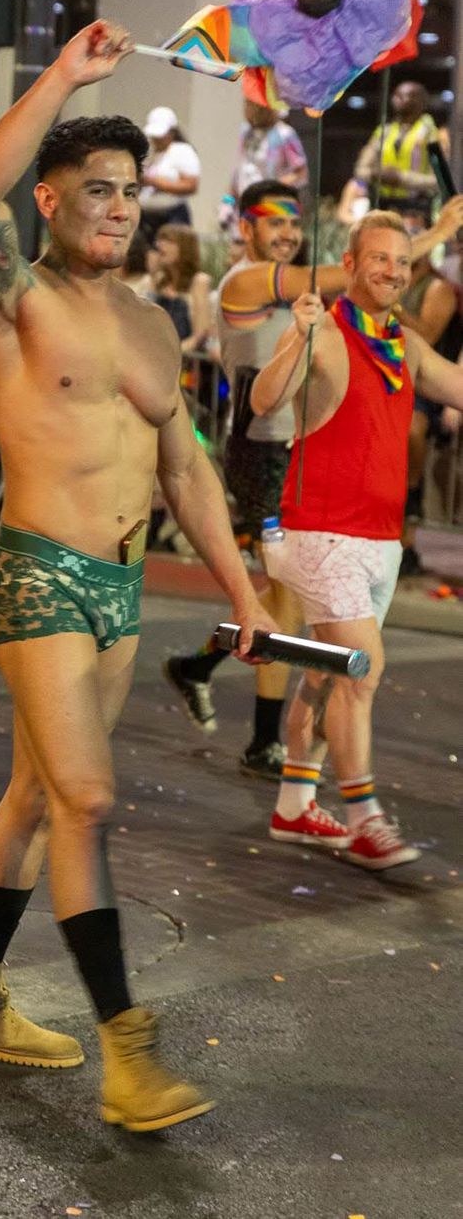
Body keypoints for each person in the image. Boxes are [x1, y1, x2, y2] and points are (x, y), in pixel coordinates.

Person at [0, 20, 277, 1133]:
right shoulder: (10, 296)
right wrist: (61, 77)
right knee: (83, 796)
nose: (119, 207)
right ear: (53, 198)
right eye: (96, 190)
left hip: (119, 591)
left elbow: (184, 466)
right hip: (36, 574)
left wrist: (243, 591)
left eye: (129, 191)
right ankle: (130, 1053)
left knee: (34, 797)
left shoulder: (153, 321)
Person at [163, 180, 463, 773]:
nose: (287, 234)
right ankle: (268, 741)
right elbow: (335, 278)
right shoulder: (247, 282)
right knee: (290, 604)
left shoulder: (327, 308)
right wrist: (434, 238)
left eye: (294, 223)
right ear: (245, 228)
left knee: (293, 604)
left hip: (303, 448)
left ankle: (224, 690)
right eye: (272, 222)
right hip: (264, 452)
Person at [251, 209, 463, 869]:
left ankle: (293, 804)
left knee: (325, 677)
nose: (395, 272)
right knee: (360, 670)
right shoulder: (329, 333)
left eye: (403, 262)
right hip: (321, 534)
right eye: (381, 259)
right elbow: (262, 400)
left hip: (378, 540)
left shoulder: (404, 342)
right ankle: (364, 816)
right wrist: (297, 338)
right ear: (351, 262)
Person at [397, 247, 463, 574]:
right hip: (388, 379)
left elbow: (426, 335)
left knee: (411, 430)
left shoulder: (438, 289)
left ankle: (410, 490)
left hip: (422, 385)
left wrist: (390, 305)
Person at [352, 81, 444, 222]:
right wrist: (376, 174)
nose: (402, 99)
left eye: (411, 95)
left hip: (416, 209)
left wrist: (401, 178)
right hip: (383, 207)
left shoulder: (432, 133)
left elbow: (440, 180)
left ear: (423, 101)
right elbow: (361, 169)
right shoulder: (384, 131)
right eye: (398, 95)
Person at [136, 106, 200, 244]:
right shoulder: (156, 154)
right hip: (149, 218)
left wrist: (154, 182)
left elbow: (191, 185)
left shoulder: (181, 151)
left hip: (172, 216)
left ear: (172, 132)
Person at [149, 223, 212, 352]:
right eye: (160, 240)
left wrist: (173, 353)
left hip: (184, 360)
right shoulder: (159, 279)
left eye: (169, 241)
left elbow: (200, 334)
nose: (160, 245)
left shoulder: (199, 281)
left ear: (185, 248)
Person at [229, 99, 308, 201]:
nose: (248, 109)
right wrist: (229, 199)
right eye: (247, 104)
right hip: (246, 201)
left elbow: (301, 173)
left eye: (253, 104)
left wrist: (272, 188)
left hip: (272, 203)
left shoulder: (284, 134)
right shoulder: (246, 132)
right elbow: (240, 167)